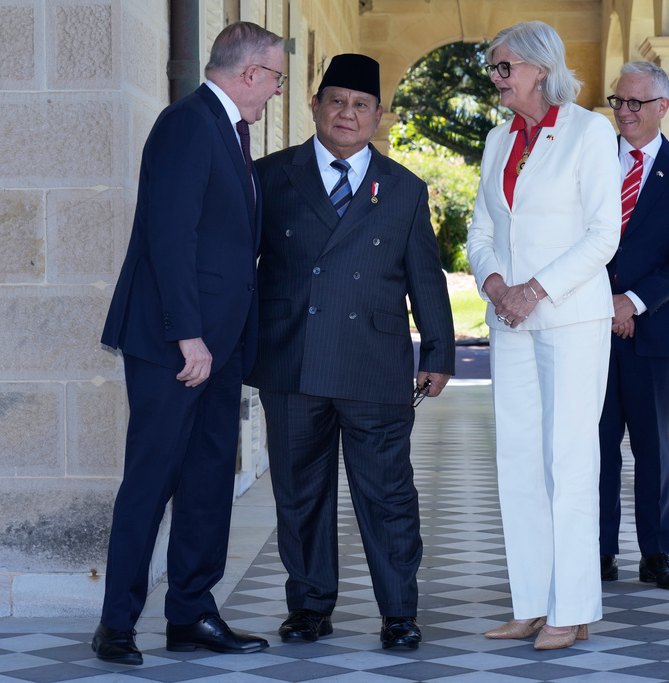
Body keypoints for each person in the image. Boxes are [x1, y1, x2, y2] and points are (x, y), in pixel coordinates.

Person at [92, 22, 285, 665]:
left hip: (219, 344)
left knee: (207, 481)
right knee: (152, 479)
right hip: (176, 342)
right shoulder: (187, 123)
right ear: (251, 73)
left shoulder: (232, 131)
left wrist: (217, 340)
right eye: (278, 76)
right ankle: (116, 625)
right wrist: (188, 335)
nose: (278, 90)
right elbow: (168, 236)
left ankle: (192, 615)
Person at [249, 53, 455, 651]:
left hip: (374, 362)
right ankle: (310, 606)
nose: (347, 113)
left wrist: (438, 350)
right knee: (300, 491)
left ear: (378, 117)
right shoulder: (270, 176)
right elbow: (241, 267)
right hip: (293, 358)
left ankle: (398, 611)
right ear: (314, 106)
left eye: (360, 104)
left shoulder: (405, 189)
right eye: (336, 100)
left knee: (387, 494)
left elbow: (427, 276)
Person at [466, 21, 620, 650]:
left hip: (571, 318)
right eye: (495, 68)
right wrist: (497, 285)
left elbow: (602, 235)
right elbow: (481, 229)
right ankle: (531, 603)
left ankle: (573, 607)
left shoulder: (590, 131)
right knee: (519, 463)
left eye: (503, 67)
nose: (496, 79)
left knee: (569, 461)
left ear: (537, 68)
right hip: (511, 322)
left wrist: (536, 289)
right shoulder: (498, 139)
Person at [598, 62, 669, 590]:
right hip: (590, 327)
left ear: (662, 107)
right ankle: (597, 552)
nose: (623, 111)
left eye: (635, 103)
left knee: (652, 448)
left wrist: (632, 303)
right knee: (595, 446)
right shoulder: (592, 162)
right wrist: (606, 304)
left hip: (656, 330)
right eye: (618, 100)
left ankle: (655, 554)